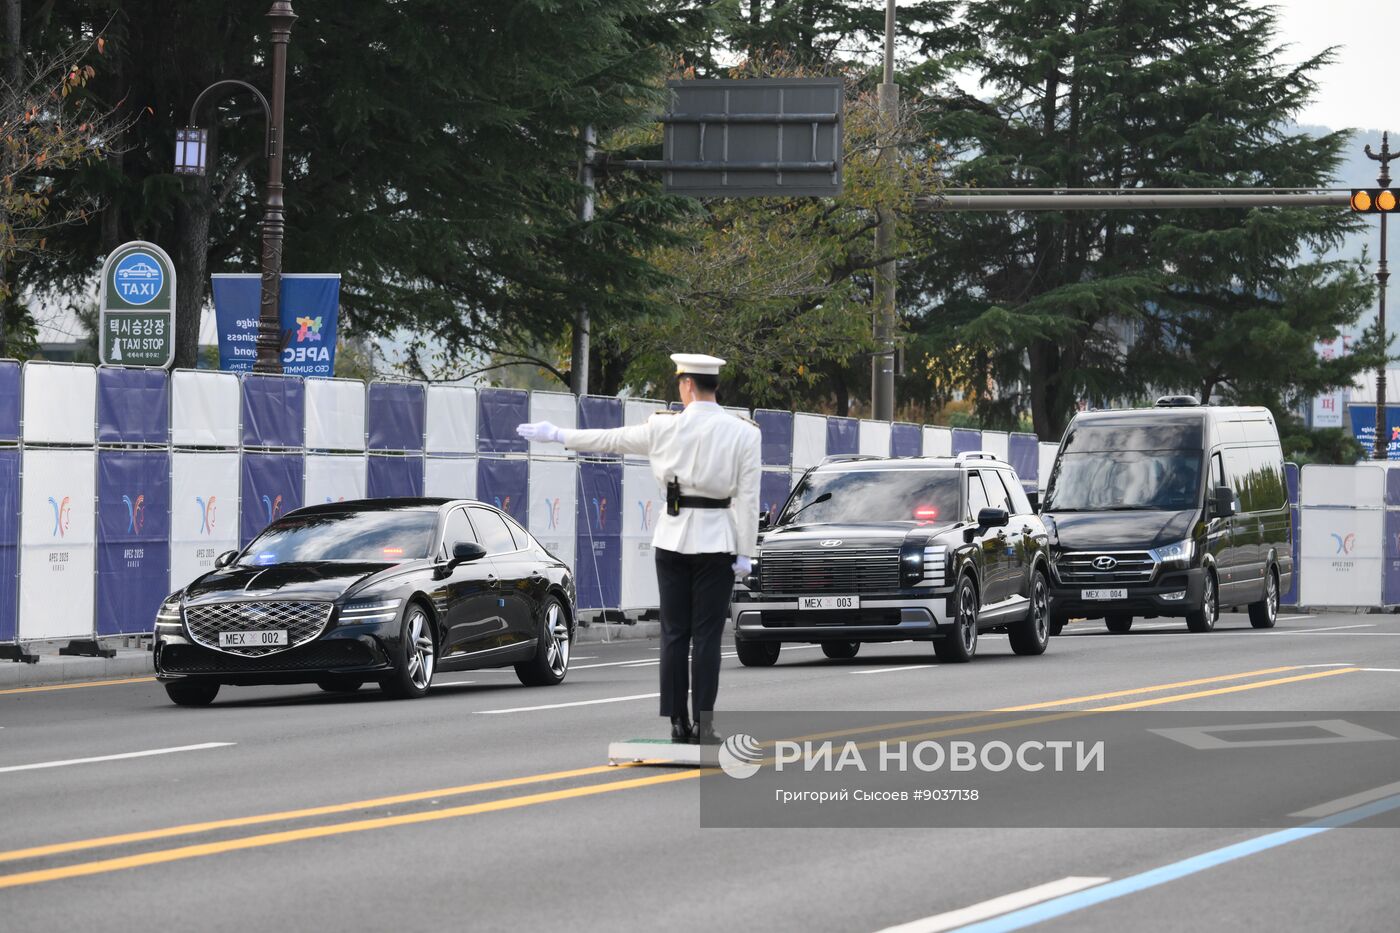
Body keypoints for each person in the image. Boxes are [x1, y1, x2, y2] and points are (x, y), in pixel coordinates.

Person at [517, 354, 761, 743]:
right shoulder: (744, 433)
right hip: (717, 541)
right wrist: (746, 552)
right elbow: (748, 497)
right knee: (707, 636)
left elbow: (611, 439)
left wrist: (558, 433)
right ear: (713, 385)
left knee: (674, 634)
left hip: (671, 539)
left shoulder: (663, 427)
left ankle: (677, 722)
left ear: (687, 385)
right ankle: (704, 725)